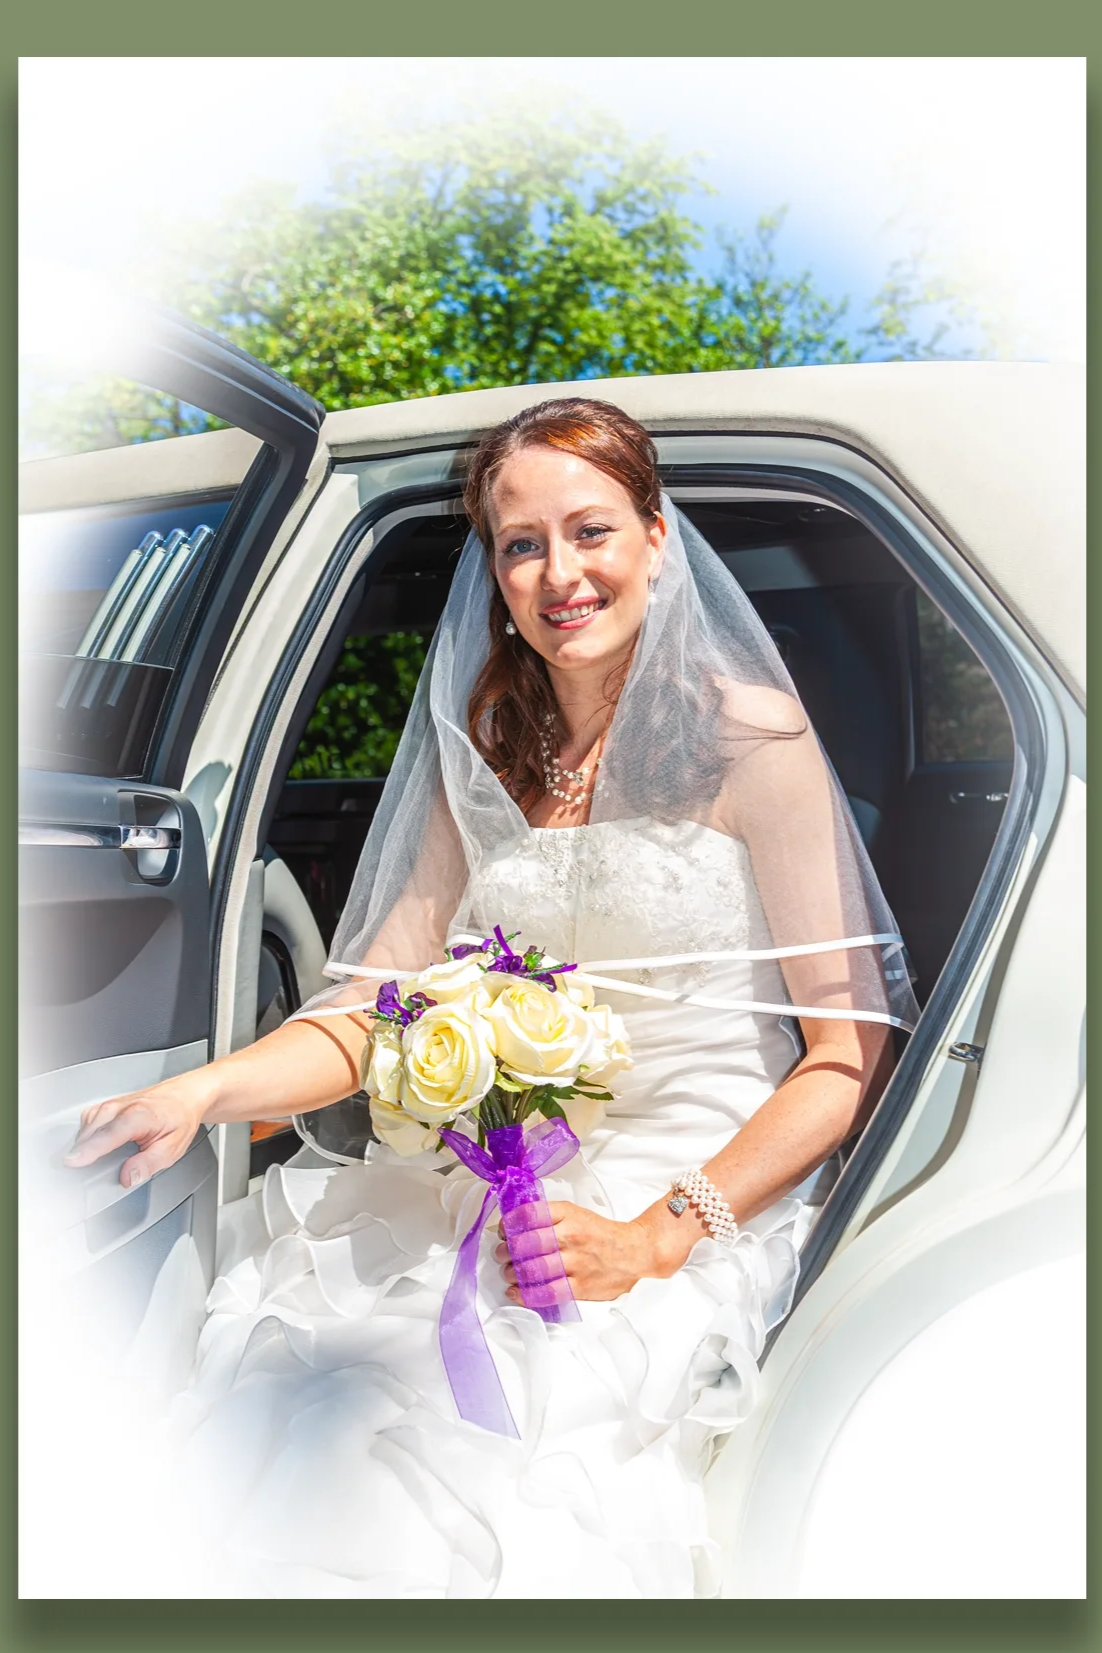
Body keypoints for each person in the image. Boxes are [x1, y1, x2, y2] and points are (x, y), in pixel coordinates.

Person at [64, 398, 918, 1598]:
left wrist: (656, 1237)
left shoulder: (753, 743)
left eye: (590, 531)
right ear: (495, 570)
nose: (558, 573)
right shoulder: (485, 750)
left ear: (656, 539)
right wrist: (202, 1092)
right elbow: (380, 1006)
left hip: (687, 1169)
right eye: (521, 544)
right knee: (314, 1393)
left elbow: (845, 1056)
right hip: (477, 1164)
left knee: (481, 1437)